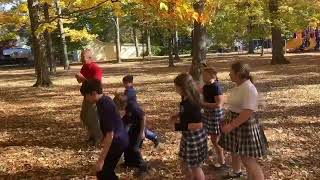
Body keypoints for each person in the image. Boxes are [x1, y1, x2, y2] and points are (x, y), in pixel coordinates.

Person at [219, 62, 268, 180]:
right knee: (245, 159)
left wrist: (231, 125)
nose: (229, 74)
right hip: (239, 125)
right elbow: (235, 104)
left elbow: (247, 112)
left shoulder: (249, 89)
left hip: (245, 127)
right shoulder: (239, 86)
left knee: (248, 160)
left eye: (231, 71)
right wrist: (226, 118)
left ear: (239, 73)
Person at [80, 79, 129, 180]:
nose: (85, 99)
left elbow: (110, 135)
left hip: (117, 141)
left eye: (86, 96)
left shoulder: (105, 105)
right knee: (104, 173)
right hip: (118, 139)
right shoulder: (102, 101)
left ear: (93, 93)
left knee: (103, 172)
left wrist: (101, 160)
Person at [172, 73, 207, 180]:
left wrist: (176, 126)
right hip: (188, 136)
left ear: (182, 87)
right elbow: (188, 113)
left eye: (176, 86)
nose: (175, 89)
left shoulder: (192, 102)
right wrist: (179, 114)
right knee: (183, 162)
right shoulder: (185, 98)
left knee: (195, 166)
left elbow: (198, 124)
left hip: (194, 138)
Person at [113, 92, 148, 173]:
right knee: (126, 145)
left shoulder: (133, 106)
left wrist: (142, 132)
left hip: (139, 130)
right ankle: (129, 163)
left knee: (134, 148)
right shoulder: (126, 109)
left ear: (122, 103)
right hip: (132, 128)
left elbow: (143, 117)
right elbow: (125, 119)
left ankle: (142, 165)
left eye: (117, 105)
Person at [122, 75, 160, 148]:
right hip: (129, 115)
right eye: (124, 83)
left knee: (144, 132)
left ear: (131, 83)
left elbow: (143, 117)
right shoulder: (127, 91)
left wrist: (117, 95)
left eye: (126, 83)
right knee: (124, 127)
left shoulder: (133, 101)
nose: (125, 85)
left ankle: (155, 137)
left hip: (136, 117)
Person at [200, 67, 227, 170]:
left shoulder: (216, 87)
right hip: (207, 113)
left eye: (205, 75)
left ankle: (222, 161)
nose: (202, 77)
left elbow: (219, 104)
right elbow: (198, 90)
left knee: (215, 140)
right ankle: (208, 154)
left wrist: (203, 104)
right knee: (207, 136)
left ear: (213, 76)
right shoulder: (206, 86)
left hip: (215, 115)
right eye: (202, 75)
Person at [75, 49, 103, 145]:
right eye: (81, 57)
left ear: (90, 58)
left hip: (94, 96)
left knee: (92, 117)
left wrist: (83, 79)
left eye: (83, 57)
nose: (81, 59)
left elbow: (95, 84)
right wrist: (79, 78)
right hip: (86, 95)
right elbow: (81, 81)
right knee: (84, 116)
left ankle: (98, 138)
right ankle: (92, 136)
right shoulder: (84, 67)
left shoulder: (96, 68)